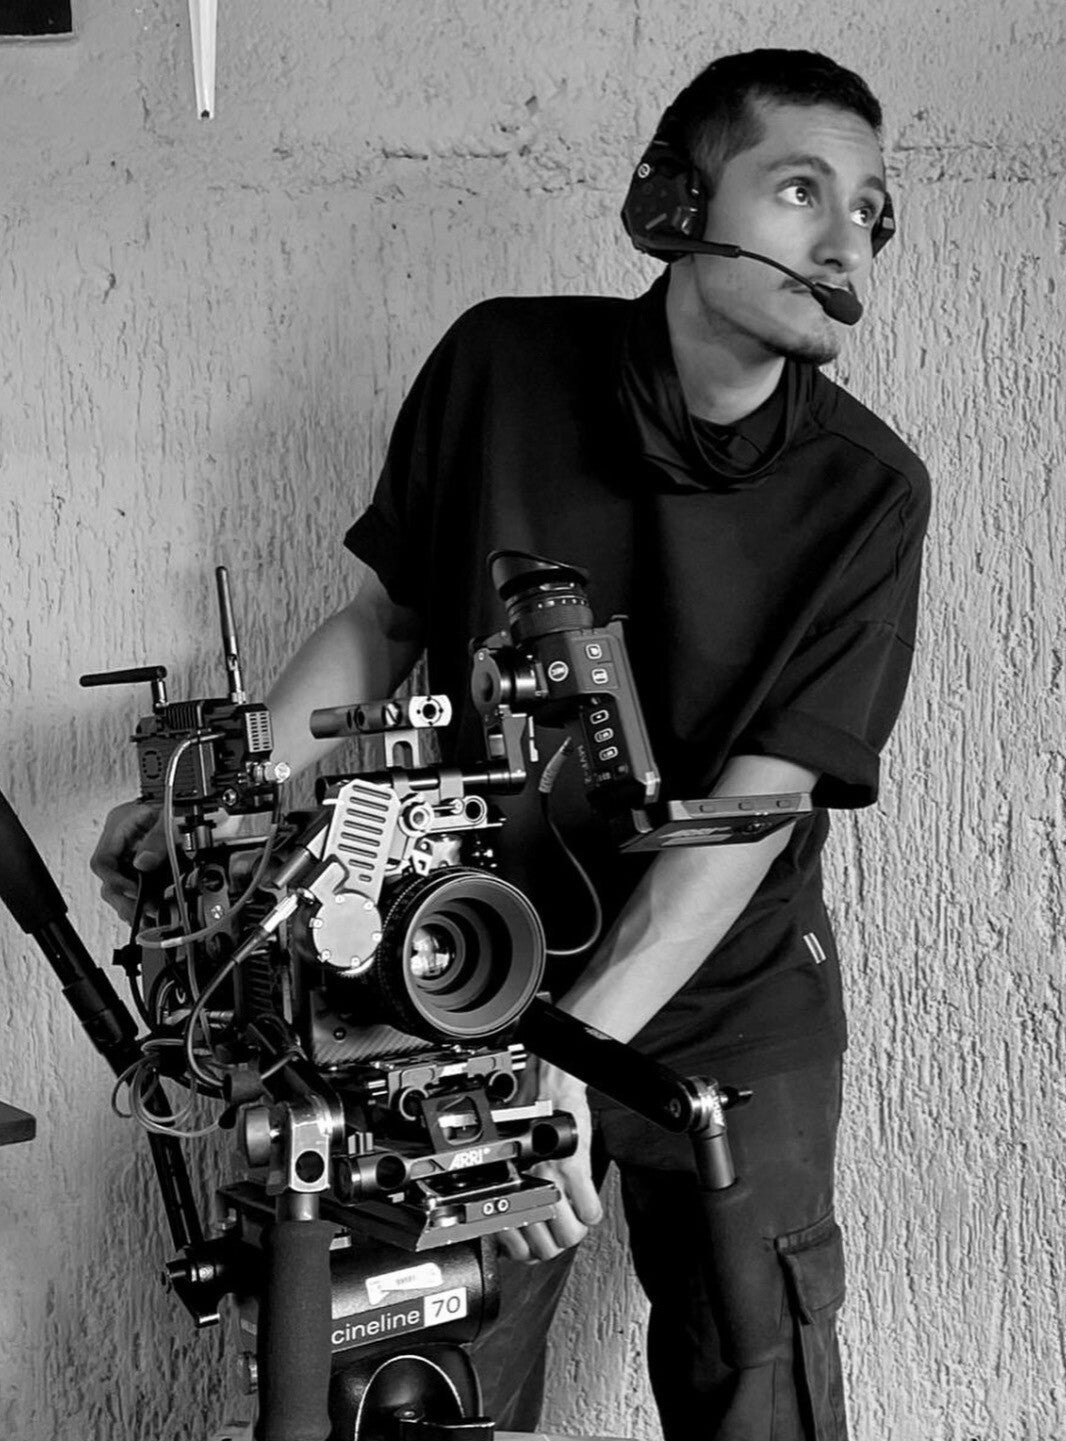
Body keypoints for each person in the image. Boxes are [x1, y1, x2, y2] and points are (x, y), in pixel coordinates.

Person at [92, 49, 930, 1441]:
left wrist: (580, 1051)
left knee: (761, 1383)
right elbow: (386, 620)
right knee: (423, 1383)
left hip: (730, 995)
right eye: (800, 190)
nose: (848, 240)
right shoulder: (500, 368)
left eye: (872, 208)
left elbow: (761, 806)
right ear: (672, 204)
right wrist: (222, 799)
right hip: (461, 974)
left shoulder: (870, 492)